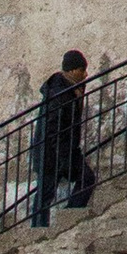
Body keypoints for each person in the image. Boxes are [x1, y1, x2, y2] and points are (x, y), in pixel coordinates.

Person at [31, 49, 94, 228]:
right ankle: (38, 230)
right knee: (45, 194)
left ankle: (69, 215)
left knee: (87, 178)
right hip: (51, 153)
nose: (86, 74)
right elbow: (53, 129)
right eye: (82, 70)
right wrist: (63, 157)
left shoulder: (73, 89)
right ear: (72, 71)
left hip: (66, 150)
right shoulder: (59, 94)